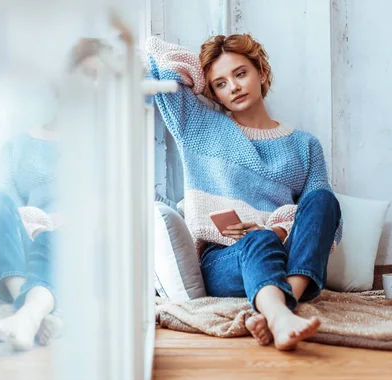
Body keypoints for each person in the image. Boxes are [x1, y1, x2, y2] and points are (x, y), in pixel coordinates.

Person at [146, 34, 342, 351]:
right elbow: (154, 55)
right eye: (220, 83)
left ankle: (277, 310)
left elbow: (325, 221)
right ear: (213, 92)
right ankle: (281, 312)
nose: (233, 87)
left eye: (240, 73)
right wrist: (200, 77)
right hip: (225, 262)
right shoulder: (198, 127)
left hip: (284, 255)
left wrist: (276, 230)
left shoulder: (304, 145)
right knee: (257, 239)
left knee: (324, 201)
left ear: (261, 73)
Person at [0, 123, 62, 351]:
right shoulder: (17, 145)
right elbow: (5, 198)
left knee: (55, 237)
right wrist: (32, 222)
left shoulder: (98, 141)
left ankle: (27, 316)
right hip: (28, 233)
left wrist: (58, 221)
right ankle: (30, 310)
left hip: (70, 240)